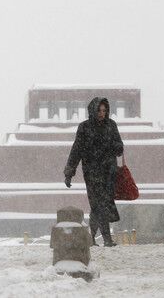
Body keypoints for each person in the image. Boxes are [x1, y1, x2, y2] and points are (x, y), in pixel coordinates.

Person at [64, 97, 124, 247]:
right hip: (92, 172)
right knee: (99, 204)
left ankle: (92, 238)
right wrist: (69, 172)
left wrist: (112, 145)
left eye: (104, 110)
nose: (102, 113)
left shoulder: (111, 125)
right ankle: (107, 239)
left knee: (100, 205)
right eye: (99, 110)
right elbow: (76, 150)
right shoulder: (84, 127)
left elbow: (119, 148)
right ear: (93, 110)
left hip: (109, 172)